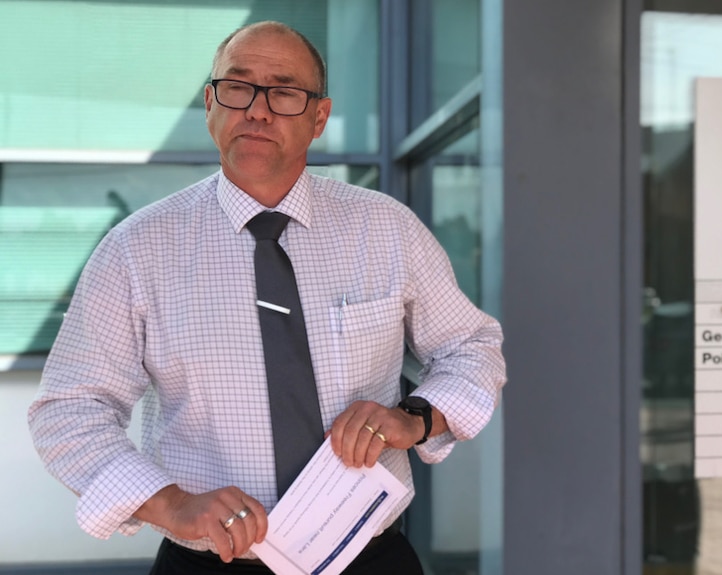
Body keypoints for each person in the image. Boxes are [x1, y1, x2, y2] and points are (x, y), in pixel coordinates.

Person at [28, 20, 506, 575]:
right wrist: (171, 504)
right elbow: (70, 409)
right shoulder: (137, 249)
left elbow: (472, 347)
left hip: (372, 558)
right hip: (208, 565)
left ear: (319, 117)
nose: (257, 109)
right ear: (210, 103)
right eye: (238, 87)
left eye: (284, 91)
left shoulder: (386, 230)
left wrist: (417, 417)